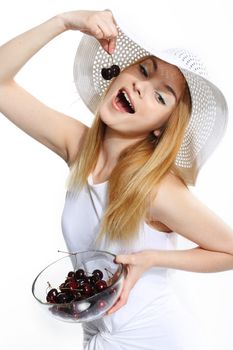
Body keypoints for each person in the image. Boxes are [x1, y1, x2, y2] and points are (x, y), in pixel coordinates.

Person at [0, 8, 233, 350]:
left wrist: (153, 258)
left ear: (161, 126)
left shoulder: (154, 188)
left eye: (160, 95)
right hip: (99, 338)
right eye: (142, 71)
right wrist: (63, 22)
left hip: (160, 338)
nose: (141, 87)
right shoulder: (78, 147)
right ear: (121, 72)